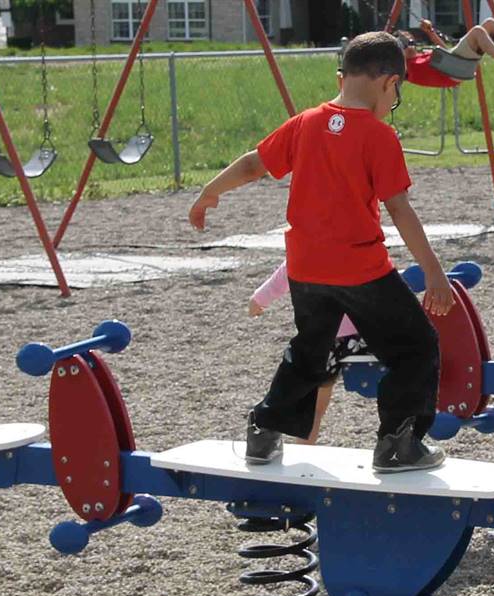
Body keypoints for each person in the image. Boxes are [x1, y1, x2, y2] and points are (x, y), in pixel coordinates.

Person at [190, 31, 455, 473]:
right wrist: (434, 272)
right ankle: (397, 444)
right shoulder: (378, 135)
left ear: (342, 76)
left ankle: (264, 428)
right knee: (416, 344)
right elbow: (400, 210)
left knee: (313, 349)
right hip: (359, 268)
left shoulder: (305, 123)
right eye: (398, 92)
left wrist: (209, 191)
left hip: (306, 268)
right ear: (389, 82)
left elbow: (255, 163)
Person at [249, 262, 368, 445]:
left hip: (324, 337)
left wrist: (259, 300)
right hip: (361, 334)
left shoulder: (305, 249)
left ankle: (305, 448)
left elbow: (283, 276)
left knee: (315, 406)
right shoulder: (352, 244)